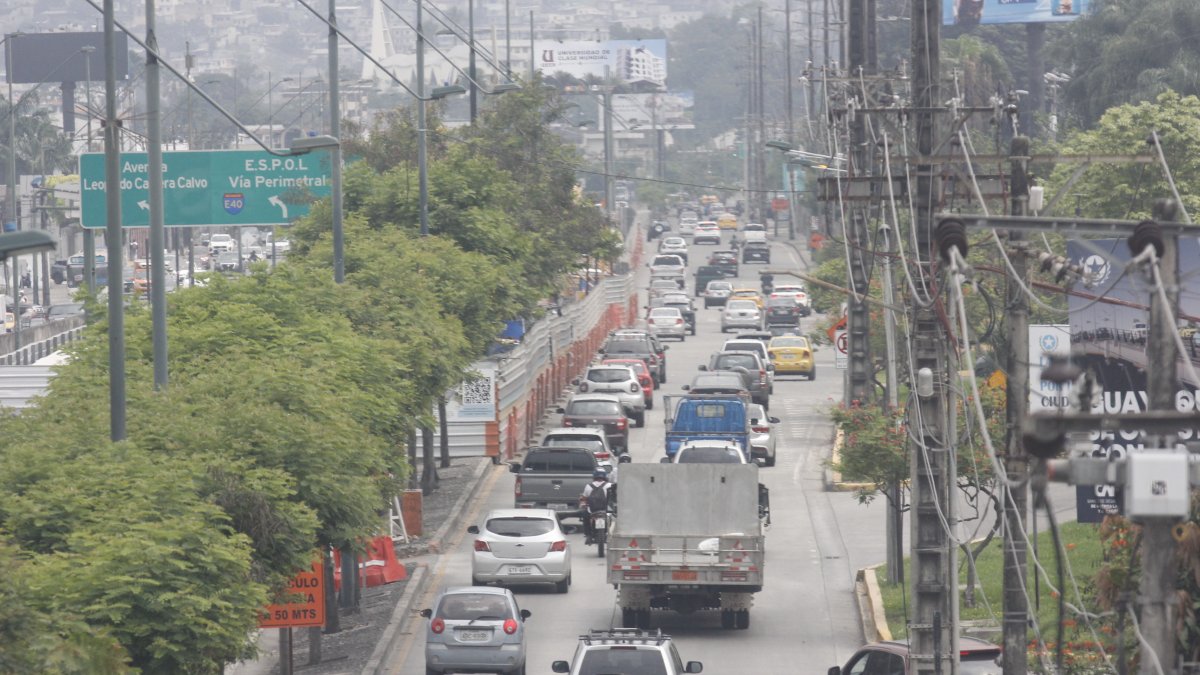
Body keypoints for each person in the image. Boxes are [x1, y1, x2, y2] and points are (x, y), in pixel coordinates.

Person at [580, 469, 612, 544]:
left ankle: (588, 535)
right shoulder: (609, 485)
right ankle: (611, 534)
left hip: (592, 511)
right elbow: (613, 498)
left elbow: (584, 498)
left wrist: (583, 505)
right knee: (613, 519)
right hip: (606, 510)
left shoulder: (588, 486)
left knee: (585, 516)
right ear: (605, 476)